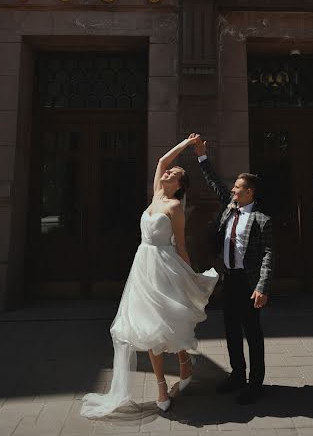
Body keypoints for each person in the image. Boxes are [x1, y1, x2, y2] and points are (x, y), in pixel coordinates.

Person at [80, 134, 218, 418]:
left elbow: (180, 244)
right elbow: (162, 160)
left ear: (179, 185)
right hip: (143, 266)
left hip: (165, 266)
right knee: (147, 325)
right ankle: (161, 385)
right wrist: (186, 145)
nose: (169, 172)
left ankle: (183, 361)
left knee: (167, 322)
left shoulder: (175, 207)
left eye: (175, 173)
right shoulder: (156, 194)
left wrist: (190, 275)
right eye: (169, 171)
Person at [193, 136, 272, 405]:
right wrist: (202, 156)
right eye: (235, 187)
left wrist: (262, 287)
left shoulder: (261, 220)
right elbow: (215, 183)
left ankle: (255, 383)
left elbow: (268, 256)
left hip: (249, 283)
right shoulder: (230, 208)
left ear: (250, 192)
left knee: (253, 333)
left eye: (238, 188)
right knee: (231, 330)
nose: (233, 191)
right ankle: (237, 375)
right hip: (229, 279)